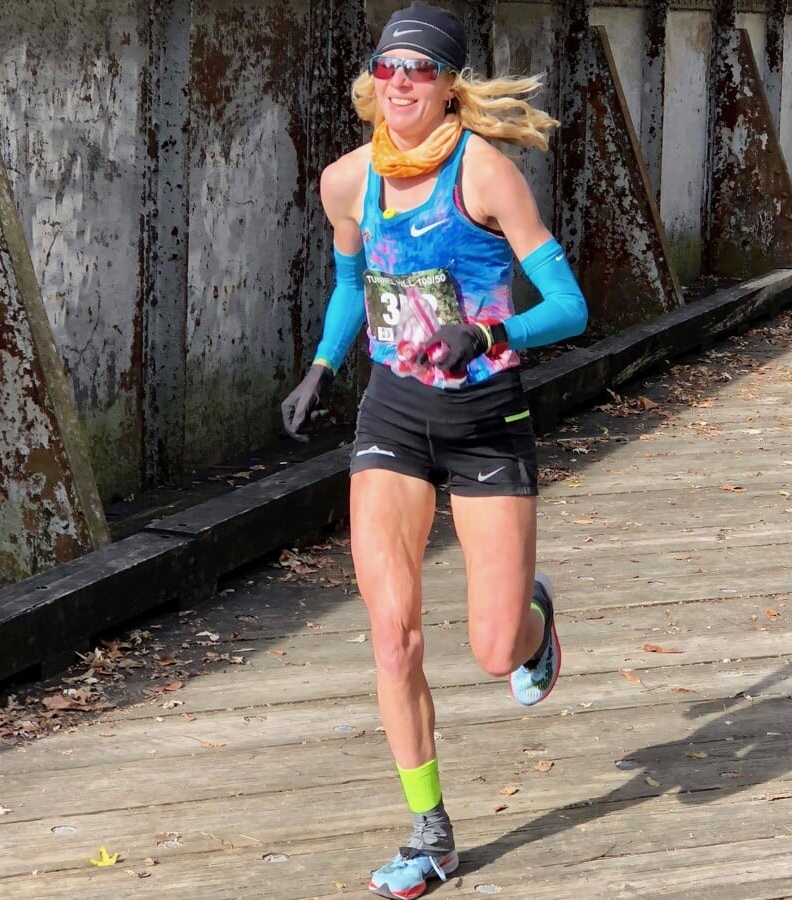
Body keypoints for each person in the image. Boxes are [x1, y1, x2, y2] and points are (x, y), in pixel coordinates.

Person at [280, 4, 587, 897]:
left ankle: (534, 626)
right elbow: (351, 283)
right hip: (394, 419)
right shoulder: (348, 182)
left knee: (493, 650)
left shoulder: (484, 174)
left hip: (486, 419)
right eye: (389, 67)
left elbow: (569, 306)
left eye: (420, 69)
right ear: (372, 80)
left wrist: (489, 335)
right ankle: (431, 835)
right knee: (393, 636)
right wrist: (322, 365)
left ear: (450, 85)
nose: (401, 83)